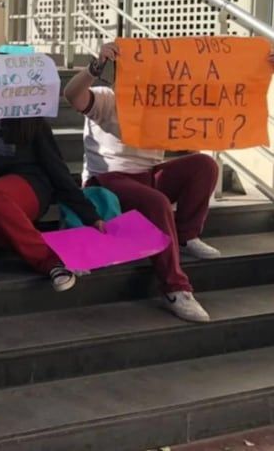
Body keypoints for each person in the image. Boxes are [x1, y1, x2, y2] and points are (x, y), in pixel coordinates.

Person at [63, 41, 221, 322]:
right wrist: (95, 66)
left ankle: (185, 235)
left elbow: (192, 139)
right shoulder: (106, 98)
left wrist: (258, 69)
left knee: (205, 165)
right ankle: (175, 288)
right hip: (109, 178)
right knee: (157, 201)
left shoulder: (164, 102)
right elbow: (73, 94)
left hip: (149, 175)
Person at [0, 118, 104, 291]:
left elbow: (57, 170)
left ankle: (50, 261)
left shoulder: (33, 120)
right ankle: (38, 242)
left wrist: (90, 215)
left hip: (28, 186)